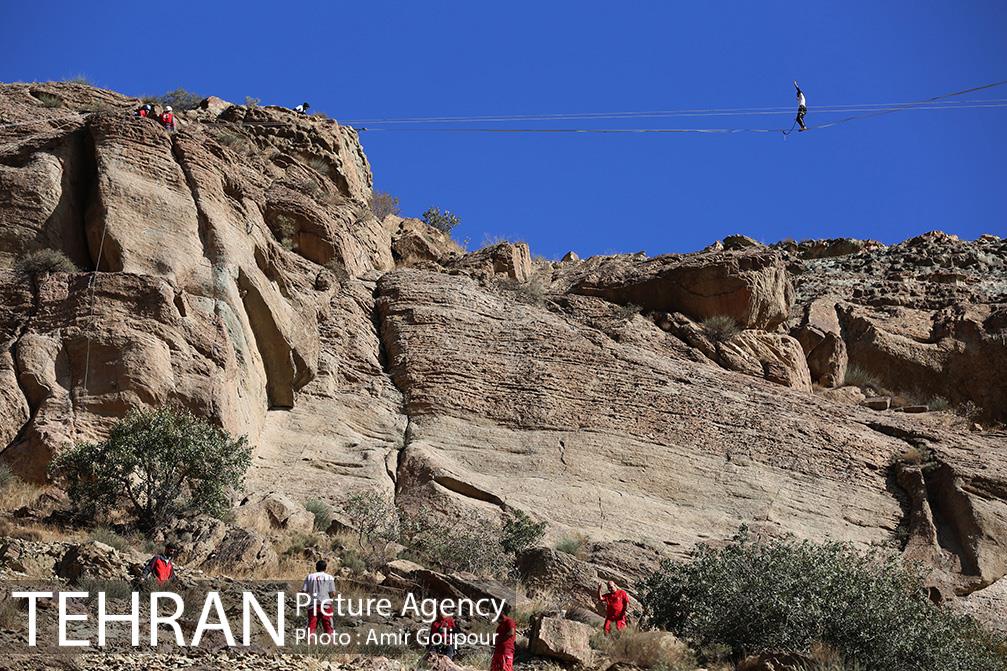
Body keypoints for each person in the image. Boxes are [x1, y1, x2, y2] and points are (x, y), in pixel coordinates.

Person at [301, 559, 336, 636]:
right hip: (326, 605)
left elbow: (304, 591)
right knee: (328, 626)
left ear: (316, 567)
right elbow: (333, 593)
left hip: (313, 605)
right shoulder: (329, 577)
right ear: (325, 568)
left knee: (311, 626)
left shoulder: (309, 577)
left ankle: (310, 643)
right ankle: (330, 644)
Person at [490, 602, 516, 671]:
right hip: (498, 651)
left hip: (506, 650)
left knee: (506, 668)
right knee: (494, 669)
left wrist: (499, 640)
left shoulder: (509, 621)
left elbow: (511, 632)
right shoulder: (499, 627)